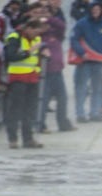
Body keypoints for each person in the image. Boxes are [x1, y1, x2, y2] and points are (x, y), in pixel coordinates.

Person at [3, 17, 48, 148]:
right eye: (35, 32)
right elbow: (10, 56)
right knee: (15, 109)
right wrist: (29, 52)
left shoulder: (37, 39)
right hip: (17, 77)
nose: (37, 35)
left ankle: (28, 139)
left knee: (30, 110)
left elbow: (37, 57)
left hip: (32, 77)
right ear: (28, 28)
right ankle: (13, 139)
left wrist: (44, 54)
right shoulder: (14, 37)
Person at [70, 0, 102, 122]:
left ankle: (94, 112)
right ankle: (80, 114)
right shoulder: (82, 24)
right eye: (94, 10)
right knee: (81, 88)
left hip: (98, 63)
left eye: (98, 10)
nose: (96, 12)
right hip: (84, 62)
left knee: (97, 88)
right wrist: (82, 53)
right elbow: (74, 39)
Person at [37, 0, 74, 133]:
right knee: (43, 98)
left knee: (62, 97)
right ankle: (40, 124)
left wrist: (50, 19)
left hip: (57, 69)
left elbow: (62, 27)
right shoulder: (39, 35)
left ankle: (63, 123)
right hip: (45, 70)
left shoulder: (55, 31)